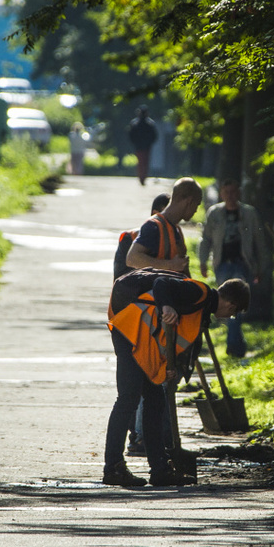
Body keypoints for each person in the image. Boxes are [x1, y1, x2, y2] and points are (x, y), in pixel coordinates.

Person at [103, 271, 251, 487]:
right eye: (233, 312)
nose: (229, 317)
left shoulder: (201, 310)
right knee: (128, 399)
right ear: (230, 304)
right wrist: (167, 306)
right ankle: (113, 468)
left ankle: (160, 470)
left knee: (155, 401)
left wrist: (168, 368)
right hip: (130, 331)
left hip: (144, 344)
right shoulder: (198, 292)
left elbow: (170, 339)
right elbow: (162, 283)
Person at [112, 191, 171, 457]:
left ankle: (156, 448)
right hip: (132, 324)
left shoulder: (174, 242)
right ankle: (136, 440)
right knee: (132, 392)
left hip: (160, 325)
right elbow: (123, 281)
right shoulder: (131, 239)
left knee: (155, 388)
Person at [197, 179, 263, 358]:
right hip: (222, 264)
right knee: (228, 303)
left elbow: (259, 242)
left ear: (239, 192)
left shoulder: (249, 213)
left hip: (244, 263)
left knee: (236, 303)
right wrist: (203, 261)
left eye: (234, 192)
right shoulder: (215, 213)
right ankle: (236, 345)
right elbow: (206, 239)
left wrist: (259, 267)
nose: (230, 196)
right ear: (222, 193)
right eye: (227, 192)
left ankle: (234, 346)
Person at [125, 176, 203, 274]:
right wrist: (170, 265)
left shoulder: (176, 229)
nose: (196, 210)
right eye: (197, 204)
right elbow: (132, 259)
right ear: (189, 201)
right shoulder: (154, 226)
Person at [113, 192, 170, 281]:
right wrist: (170, 265)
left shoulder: (176, 237)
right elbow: (120, 281)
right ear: (155, 214)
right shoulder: (130, 238)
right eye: (168, 215)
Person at [127, 106, 158, 186]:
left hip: (142, 146)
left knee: (142, 162)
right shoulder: (149, 123)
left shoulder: (136, 123)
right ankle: (142, 177)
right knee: (144, 162)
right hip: (143, 146)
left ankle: (142, 177)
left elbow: (131, 135)